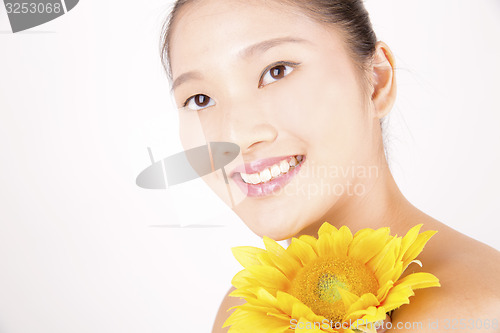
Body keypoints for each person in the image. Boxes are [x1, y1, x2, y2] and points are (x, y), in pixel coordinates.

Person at [160, 0, 500, 332]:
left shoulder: (475, 311)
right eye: (199, 99)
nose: (234, 136)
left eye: (276, 71)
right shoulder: (244, 312)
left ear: (378, 80)